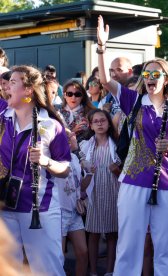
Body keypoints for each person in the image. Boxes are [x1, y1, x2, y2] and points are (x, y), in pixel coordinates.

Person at [97, 15, 168, 276]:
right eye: (147, 74)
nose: (151, 78)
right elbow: (106, 80)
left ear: (166, 79)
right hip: (133, 181)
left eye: (156, 74)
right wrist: (102, 48)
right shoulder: (133, 101)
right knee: (129, 245)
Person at [0, 65, 71, 275]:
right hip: (4, 205)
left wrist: (46, 162)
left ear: (28, 90)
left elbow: (65, 169)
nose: (5, 87)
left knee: (47, 269)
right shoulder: (3, 116)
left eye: (12, 82)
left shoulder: (50, 125)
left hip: (38, 208)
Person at [80, 109, 121, 276]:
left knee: (112, 233)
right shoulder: (86, 145)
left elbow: (123, 174)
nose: (99, 123)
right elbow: (81, 168)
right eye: (95, 121)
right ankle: (94, 271)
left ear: (108, 123)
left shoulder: (117, 144)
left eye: (102, 120)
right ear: (90, 125)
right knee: (94, 233)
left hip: (113, 191)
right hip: (95, 192)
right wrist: (86, 166)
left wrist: (116, 170)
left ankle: (110, 271)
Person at [57, 129, 88, 276]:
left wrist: (90, 173)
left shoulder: (75, 159)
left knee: (83, 253)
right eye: (65, 137)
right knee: (59, 256)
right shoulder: (53, 158)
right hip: (60, 212)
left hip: (75, 211)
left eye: (72, 137)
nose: (69, 139)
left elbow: (80, 186)